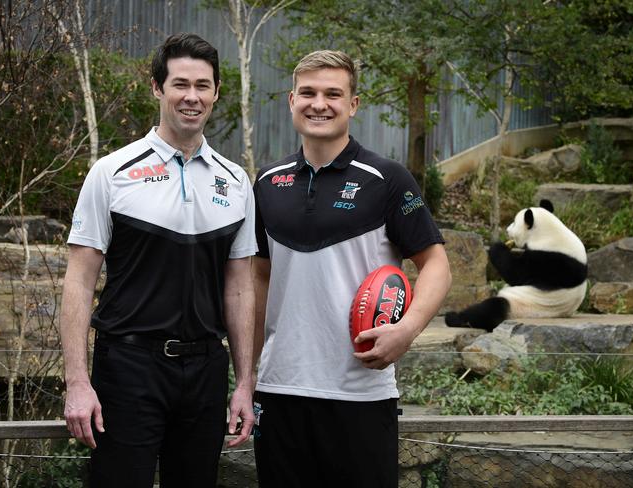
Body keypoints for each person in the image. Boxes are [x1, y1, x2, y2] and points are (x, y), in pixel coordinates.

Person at [60, 33, 257, 488]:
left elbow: (241, 286)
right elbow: (79, 281)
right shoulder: (112, 173)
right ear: (157, 88)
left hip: (206, 369)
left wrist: (244, 382)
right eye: (180, 84)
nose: (192, 97)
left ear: (216, 92)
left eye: (203, 86)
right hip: (128, 368)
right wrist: (77, 381)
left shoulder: (236, 181)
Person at [252, 50, 452, 488]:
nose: (318, 103)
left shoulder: (388, 179)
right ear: (291, 100)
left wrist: (408, 329)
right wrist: (247, 375)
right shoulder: (267, 182)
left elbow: (436, 265)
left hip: (359, 391)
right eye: (308, 92)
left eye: (332, 94)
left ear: (353, 105)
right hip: (280, 388)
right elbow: (259, 279)